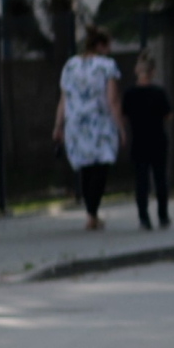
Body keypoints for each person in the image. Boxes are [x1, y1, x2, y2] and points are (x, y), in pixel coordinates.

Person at [52, 27, 125, 230]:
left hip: (75, 124)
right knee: (102, 165)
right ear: (100, 46)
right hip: (100, 124)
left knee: (85, 167)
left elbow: (64, 98)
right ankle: (92, 213)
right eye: (107, 46)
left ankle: (90, 213)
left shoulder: (70, 65)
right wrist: (121, 127)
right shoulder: (107, 66)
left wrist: (58, 125)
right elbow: (112, 100)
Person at [123, 53, 173, 230]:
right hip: (157, 139)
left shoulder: (129, 94)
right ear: (152, 72)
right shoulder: (158, 93)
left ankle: (144, 218)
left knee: (141, 181)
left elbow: (124, 116)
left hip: (139, 140)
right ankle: (163, 215)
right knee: (160, 179)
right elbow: (168, 115)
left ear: (137, 70)